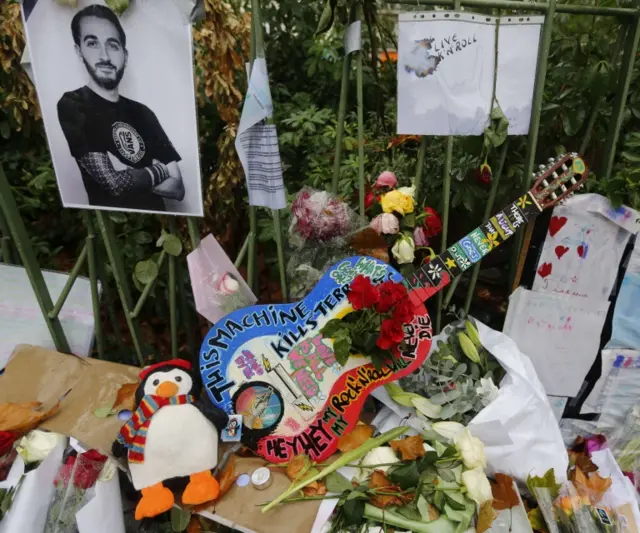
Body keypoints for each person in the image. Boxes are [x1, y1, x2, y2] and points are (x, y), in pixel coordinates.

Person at [57, 4, 185, 212]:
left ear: (125, 54)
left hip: (159, 227)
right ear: (79, 51)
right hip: (118, 230)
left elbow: (178, 187)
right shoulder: (73, 104)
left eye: (113, 45)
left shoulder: (143, 112)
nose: (105, 56)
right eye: (92, 43)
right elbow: (115, 183)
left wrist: (130, 173)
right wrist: (159, 169)